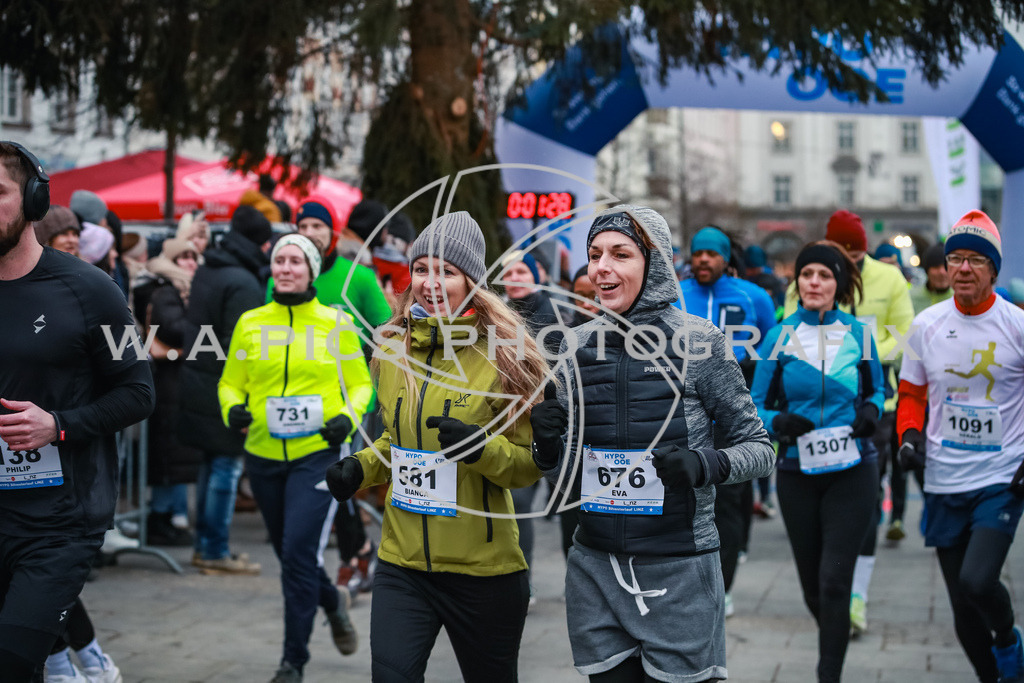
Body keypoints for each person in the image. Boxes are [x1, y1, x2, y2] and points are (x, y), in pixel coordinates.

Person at [531, 205, 775, 682]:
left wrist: (705, 464)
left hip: (680, 568)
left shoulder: (699, 343)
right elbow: (563, 480)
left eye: (620, 254)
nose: (602, 267)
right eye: (595, 254)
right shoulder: (571, 346)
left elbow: (760, 449)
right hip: (596, 570)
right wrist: (546, 446)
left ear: (655, 263)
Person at [325, 211, 549, 681]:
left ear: (471, 280)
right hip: (402, 563)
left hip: (483, 572)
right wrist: (361, 468)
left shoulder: (508, 353)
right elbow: (397, 441)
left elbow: (529, 467)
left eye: (445, 271)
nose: (429, 282)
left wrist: (479, 449)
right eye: (421, 268)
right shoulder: (391, 347)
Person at [0, 141, 154, 681]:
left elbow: (138, 393)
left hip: (59, 522)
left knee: (15, 660)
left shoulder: (89, 289)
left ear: (34, 201)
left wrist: (58, 426)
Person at [220, 233, 371, 682]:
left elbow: (362, 385)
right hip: (263, 456)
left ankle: (293, 662)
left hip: (316, 456)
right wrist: (232, 409)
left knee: (298, 553)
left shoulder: (336, 323)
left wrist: (347, 417)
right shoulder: (251, 322)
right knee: (294, 559)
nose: (285, 268)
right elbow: (231, 382)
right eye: (279, 260)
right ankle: (331, 601)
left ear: (311, 270)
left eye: (295, 262)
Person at [897, 210, 1024, 683]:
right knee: (961, 605)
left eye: (975, 260)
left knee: (978, 580)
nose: (964, 269)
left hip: (1002, 479)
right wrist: (909, 436)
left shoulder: (1016, 324)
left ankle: (1009, 639)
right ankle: (992, 676)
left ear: (993, 269)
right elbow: (910, 393)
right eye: (956, 259)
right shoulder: (924, 325)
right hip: (944, 480)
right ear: (945, 268)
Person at [750, 240, 884, 682]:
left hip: (854, 470)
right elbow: (755, 406)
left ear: (838, 284)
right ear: (797, 281)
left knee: (833, 582)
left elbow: (878, 392)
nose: (814, 282)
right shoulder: (778, 336)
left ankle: (829, 674)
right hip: (796, 474)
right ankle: (834, 631)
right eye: (807, 274)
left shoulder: (860, 334)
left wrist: (870, 412)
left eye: (824, 275)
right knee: (814, 589)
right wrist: (780, 421)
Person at [783, 209, 914, 635]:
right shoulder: (811, 276)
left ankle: (855, 593)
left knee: (867, 498)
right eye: (845, 253)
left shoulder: (891, 279)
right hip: (810, 411)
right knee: (819, 509)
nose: (851, 262)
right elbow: (787, 329)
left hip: (872, 406)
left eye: (856, 254)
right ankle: (829, 584)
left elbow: (905, 333)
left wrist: (863, 352)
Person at [268, 195, 393, 596]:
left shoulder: (356, 275)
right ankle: (350, 553)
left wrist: (378, 385)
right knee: (307, 484)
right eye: (302, 228)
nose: (309, 235)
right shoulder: (280, 276)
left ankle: (349, 558)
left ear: (332, 232)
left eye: (317, 228)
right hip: (291, 401)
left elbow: (386, 331)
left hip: (345, 399)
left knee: (337, 478)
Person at [681, 225, 776, 617]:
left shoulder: (755, 297)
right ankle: (692, 576)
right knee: (688, 494)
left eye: (712, 254)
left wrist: (762, 398)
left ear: (725, 258)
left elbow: (773, 349)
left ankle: (725, 584)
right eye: (698, 253)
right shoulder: (676, 292)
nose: (704, 259)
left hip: (734, 408)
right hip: (684, 411)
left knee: (732, 499)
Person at [178, 205, 273, 575]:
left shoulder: (210, 267)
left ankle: (205, 546)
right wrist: (248, 396)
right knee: (227, 467)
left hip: (199, 378)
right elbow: (244, 346)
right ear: (261, 244)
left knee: (211, 463)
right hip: (225, 386)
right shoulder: (243, 282)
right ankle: (215, 550)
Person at [133, 238, 203, 546]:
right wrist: (201, 323)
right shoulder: (167, 291)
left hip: (179, 379)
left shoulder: (189, 290)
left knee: (175, 452)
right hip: (166, 380)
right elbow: (174, 329)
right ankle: (160, 517)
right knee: (166, 452)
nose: (189, 262)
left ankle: (169, 516)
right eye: (183, 256)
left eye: (193, 256)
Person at [910, 243, 952, 314]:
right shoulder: (911, 298)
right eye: (936, 267)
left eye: (945, 267)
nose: (942, 272)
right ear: (927, 271)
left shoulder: (961, 299)